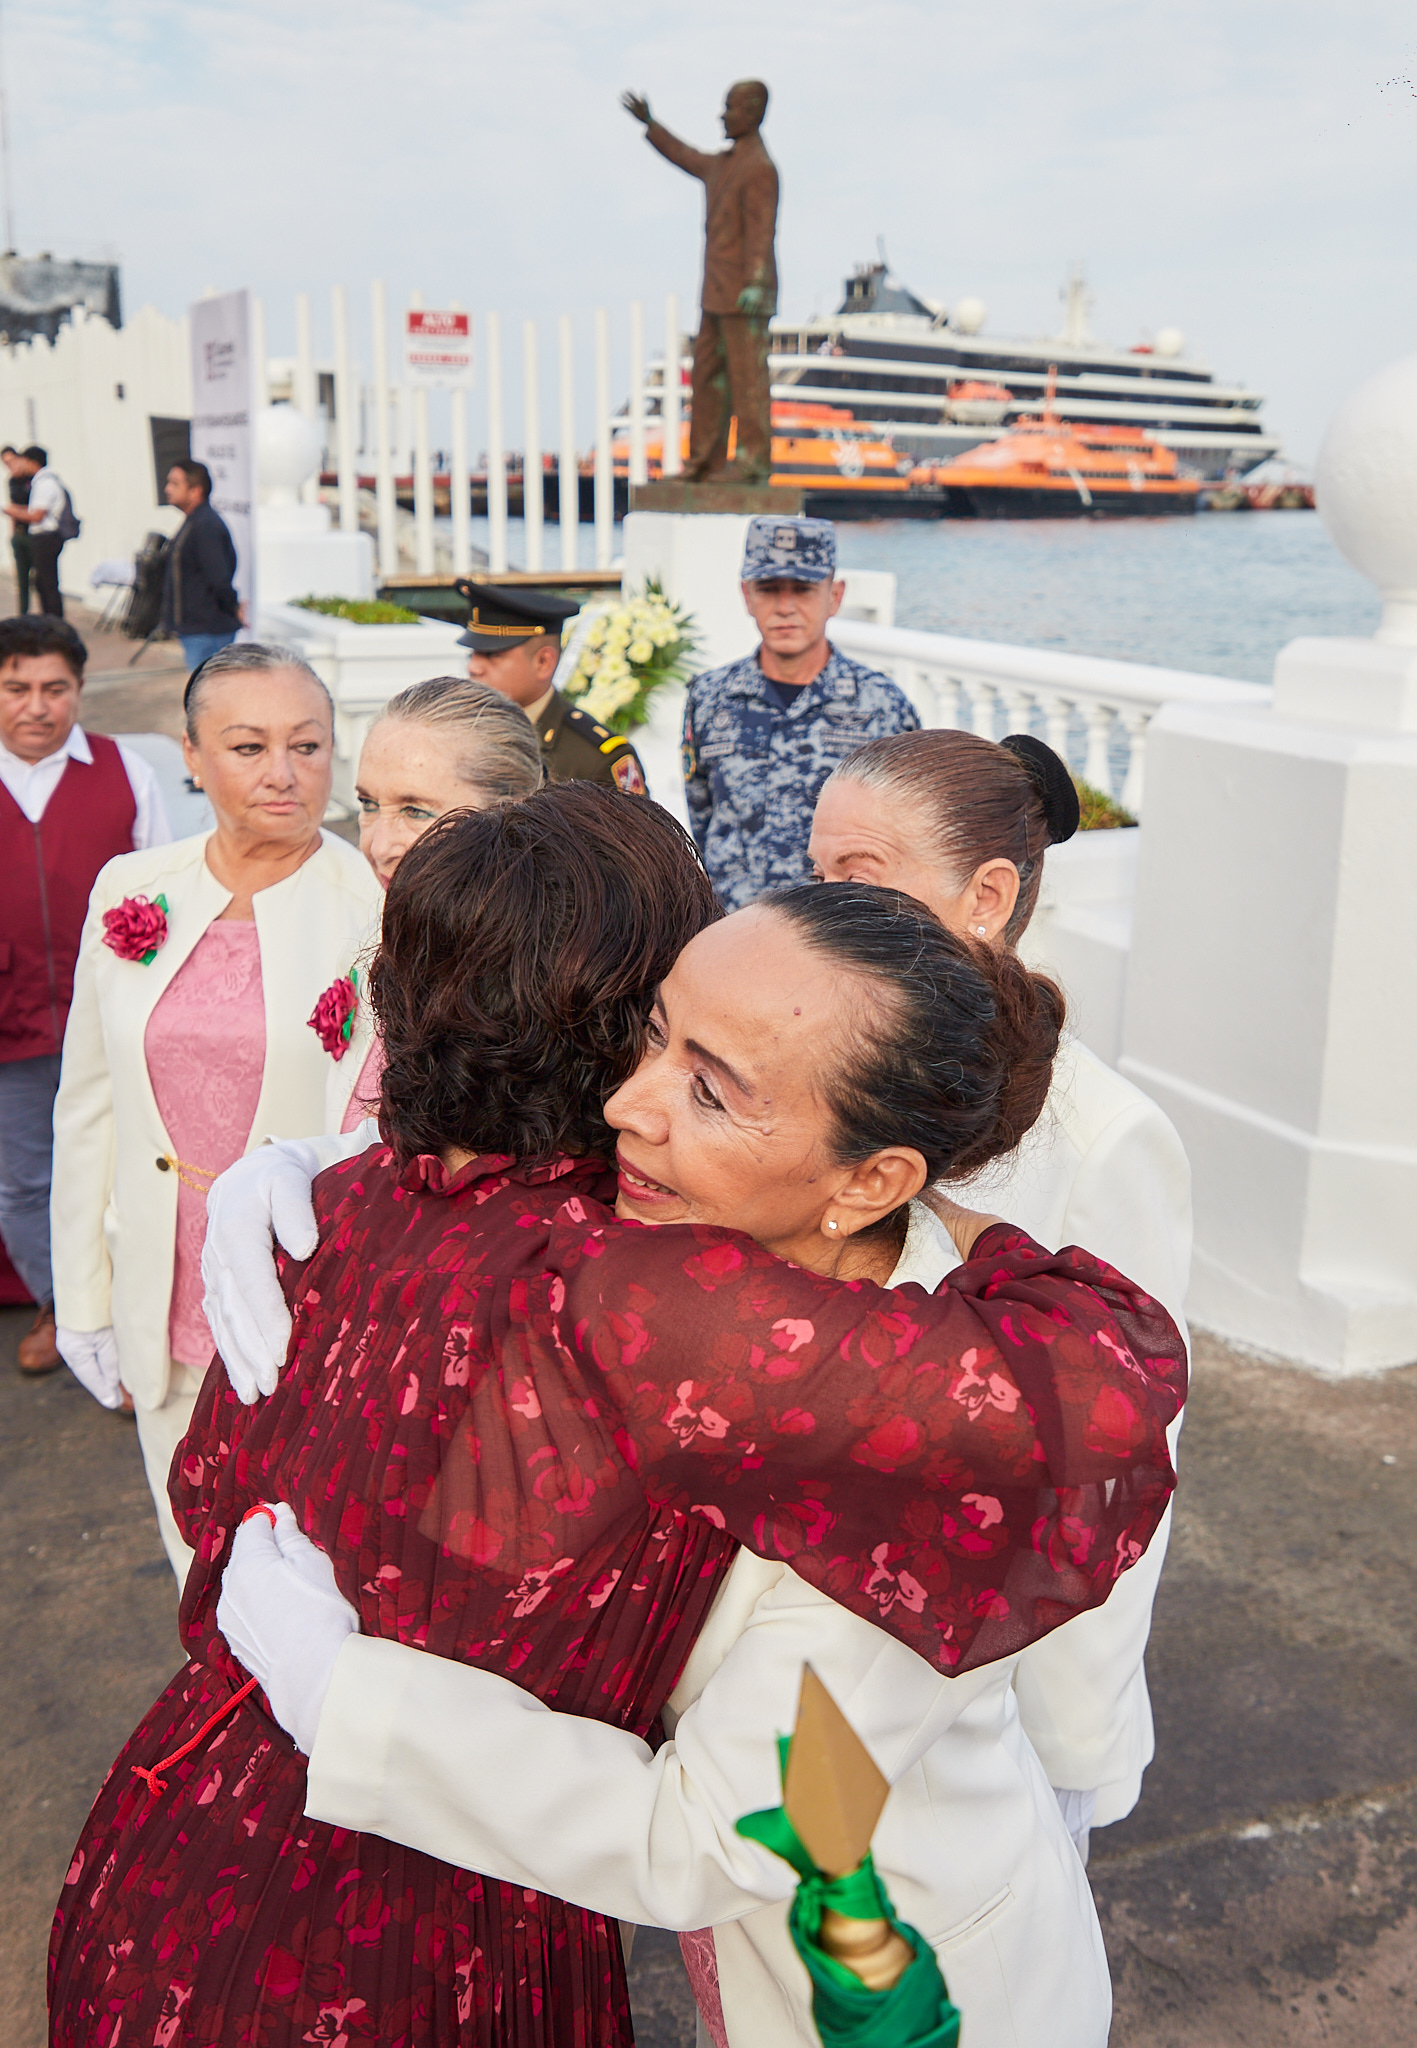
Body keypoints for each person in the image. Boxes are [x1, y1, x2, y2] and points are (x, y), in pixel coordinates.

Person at [53, 792, 1185, 2048]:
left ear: (872, 1178)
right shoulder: (664, 1251)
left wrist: (344, 1693)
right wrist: (322, 1162)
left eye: (711, 1089)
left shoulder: (912, 1427)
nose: (625, 1106)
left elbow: (713, 1832)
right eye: (647, 1037)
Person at [808, 725, 1192, 1861]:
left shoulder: (1102, 1136)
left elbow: (1114, 1465)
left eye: (859, 875)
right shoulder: (824, 1068)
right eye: (814, 871)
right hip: (811, 1654)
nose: (821, 906)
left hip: (987, 1699)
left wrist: (1074, 1742)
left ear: (986, 895)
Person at [48, 642, 382, 1580]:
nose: (283, 773)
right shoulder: (132, 887)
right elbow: (89, 1103)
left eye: (306, 745)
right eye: (247, 747)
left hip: (310, 1297)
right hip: (160, 1279)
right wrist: (84, 1297)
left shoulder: (375, 905)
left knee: (310, 1566)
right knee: (191, 1550)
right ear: (191, 755)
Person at [0, 615, 171, 1377]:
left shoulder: (123, 770)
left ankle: (127, 1319)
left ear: (79, 688)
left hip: (106, 1013)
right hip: (9, 1021)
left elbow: (165, 886)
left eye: (55, 688)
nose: (37, 706)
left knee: (123, 1168)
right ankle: (56, 1306)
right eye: (17, 688)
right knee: (25, 1180)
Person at [332, 672, 544, 1131]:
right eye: (368, 805)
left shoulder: (548, 991)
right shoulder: (370, 937)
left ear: (511, 811)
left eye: (415, 811)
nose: (378, 845)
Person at [682, 515, 918, 909]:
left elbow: (903, 830)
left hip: (836, 927)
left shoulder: (882, 705)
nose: (785, 607)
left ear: (835, 596)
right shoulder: (709, 697)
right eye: (768, 589)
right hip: (733, 924)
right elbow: (702, 815)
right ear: (747, 596)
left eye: (803, 589)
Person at [622, 81, 778, 482]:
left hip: (745, 294)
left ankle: (752, 463)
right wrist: (651, 124)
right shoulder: (722, 165)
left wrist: (756, 281)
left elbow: (762, 231)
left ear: (752, 113)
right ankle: (704, 462)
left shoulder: (760, 169)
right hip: (716, 292)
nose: (721, 116)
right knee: (706, 378)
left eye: (729, 108)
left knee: (747, 381)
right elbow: (685, 156)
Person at [459, 581, 648, 793]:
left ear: (543, 662)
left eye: (492, 655)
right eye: (472, 654)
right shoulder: (457, 733)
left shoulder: (595, 759)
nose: (473, 667)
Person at [159, 459, 241, 669]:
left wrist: (233, 607)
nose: (167, 489)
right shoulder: (195, 521)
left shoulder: (206, 526)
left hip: (207, 631)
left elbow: (219, 577)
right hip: (197, 630)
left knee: (207, 686)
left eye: (175, 483)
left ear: (195, 491)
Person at [5, 445, 76, 617]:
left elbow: (37, 515)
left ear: (33, 462)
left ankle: (54, 620)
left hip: (46, 538)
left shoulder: (45, 484)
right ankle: (49, 617)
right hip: (43, 538)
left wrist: (12, 511)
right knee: (42, 582)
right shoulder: (41, 482)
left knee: (47, 583)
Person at [3, 443, 34, 611]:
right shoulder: (12, 481)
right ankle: (23, 616)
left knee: (41, 580)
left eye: (12, 462)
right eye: (6, 464)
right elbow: (12, 510)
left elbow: (37, 510)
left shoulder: (33, 479)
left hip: (35, 534)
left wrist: (16, 511)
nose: (10, 466)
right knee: (22, 581)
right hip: (20, 533)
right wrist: (13, 535)